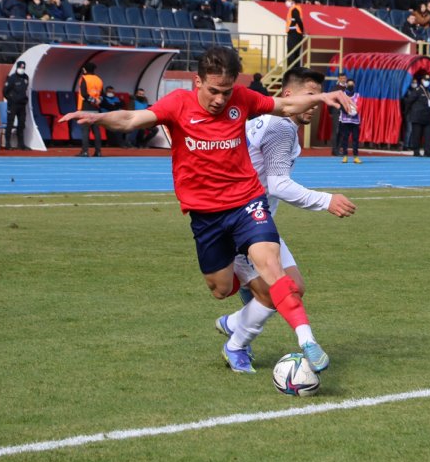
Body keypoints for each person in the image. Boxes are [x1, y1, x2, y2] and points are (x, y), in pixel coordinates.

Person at [59, 46, 355, 374]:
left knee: (275, 271)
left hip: (247, 202)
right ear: (197, 81)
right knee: (221, 289)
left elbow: (285, 104)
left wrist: (321, 97)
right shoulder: (177, 105)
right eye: (213, 91)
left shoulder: (242, 99)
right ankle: (238, 318)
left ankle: (306, 341)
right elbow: (131, 118)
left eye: (226, 91)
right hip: (206, 215)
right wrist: (99, 117)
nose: (220, 99)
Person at [215, 67, 357, 363]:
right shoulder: (280, 126)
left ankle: (233, 323)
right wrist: (326, 200)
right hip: (240, 221)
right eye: (310, 95)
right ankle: (236, 344)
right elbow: (279, 184)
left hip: (257, 220)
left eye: (318, 97)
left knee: (295, 288)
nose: (315, 103)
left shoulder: (271, 122)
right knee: (272, 294)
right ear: (288, 95)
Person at [75, 62, 103, 157]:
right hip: (96, 108)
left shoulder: (84, 79)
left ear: (85, 69)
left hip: (86, 107)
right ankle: (98, 151)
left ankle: (85, 151)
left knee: (85, 130)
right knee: (96, 131)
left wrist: (93, 101)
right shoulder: (99, 79)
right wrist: (98, 101)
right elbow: (102, 95)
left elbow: (84, 94)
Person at [3, 60, 30, 150]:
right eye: (20, 67)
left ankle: (21, 144)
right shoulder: (11, 78)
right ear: (17, 68)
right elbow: (5, 92)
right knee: (10, 123)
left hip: (22, 105)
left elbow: (25, 89)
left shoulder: (26, 77)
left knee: (21, 124)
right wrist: (11, 99)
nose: (21, 69)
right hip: (13, 105)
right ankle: (7, 143)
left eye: (23, 68)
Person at [407, 74, 430, 157]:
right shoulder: (417, 90)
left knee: (428, 135)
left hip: (427, 117)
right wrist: (409, 112)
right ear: (422, 81)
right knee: (416, 135)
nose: (427, 82)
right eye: (425, 80)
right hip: (418, 116)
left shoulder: (429, 91)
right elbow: (409, 101)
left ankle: (427, 151)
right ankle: (416, 151)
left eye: (428, 80)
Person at [339, 78, 361, 164]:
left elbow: (360, 106)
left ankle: (355, 156)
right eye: (349, 84)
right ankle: (345, 156)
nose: (350, 86)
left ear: (354, 85)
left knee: (355, 139)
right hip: (345, 120)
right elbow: (341, 106)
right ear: (346, 85)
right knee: (345, 138)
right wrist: (347, 112)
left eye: (352, 84)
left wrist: (355, 112)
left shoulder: (358, 95)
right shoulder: (343, 95)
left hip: (355, 121)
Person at [328, 71, 347, 156]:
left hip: (345, 112)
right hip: (336, 112)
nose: (343, 79)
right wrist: (330, 111)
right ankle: (334, 150)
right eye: (341, 78)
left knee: (342, 131)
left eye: (344, 78)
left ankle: (338, 149)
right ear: (338, 79)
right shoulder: (334, 88)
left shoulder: (348, 88)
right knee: (336, 130)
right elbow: (330, 100)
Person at [285, 0, 304, 67]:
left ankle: (292, 70)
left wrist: (302, 30)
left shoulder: (294, 9)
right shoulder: (294, 9)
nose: (287, 2)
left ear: (293, 1)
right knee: (294, 53)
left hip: (294, 33)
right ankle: (294, 69)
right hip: (294, 33)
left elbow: (298, 20)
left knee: (292, 53)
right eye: (286, 0)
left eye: (289, 0)